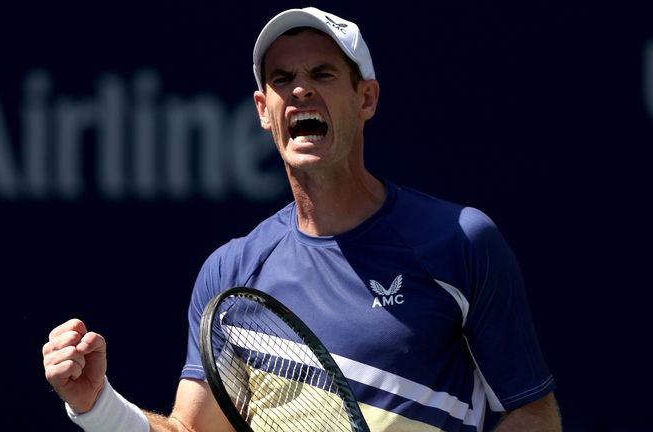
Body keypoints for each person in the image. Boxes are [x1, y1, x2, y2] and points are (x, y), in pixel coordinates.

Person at [42, 7, 561, 431]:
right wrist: (98, 407)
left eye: (322, 74)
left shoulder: (461, 242)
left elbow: (532, 412)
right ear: (264, 110)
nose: (300, 91)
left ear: (366, 98)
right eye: (282, 79)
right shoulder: (231, 274)